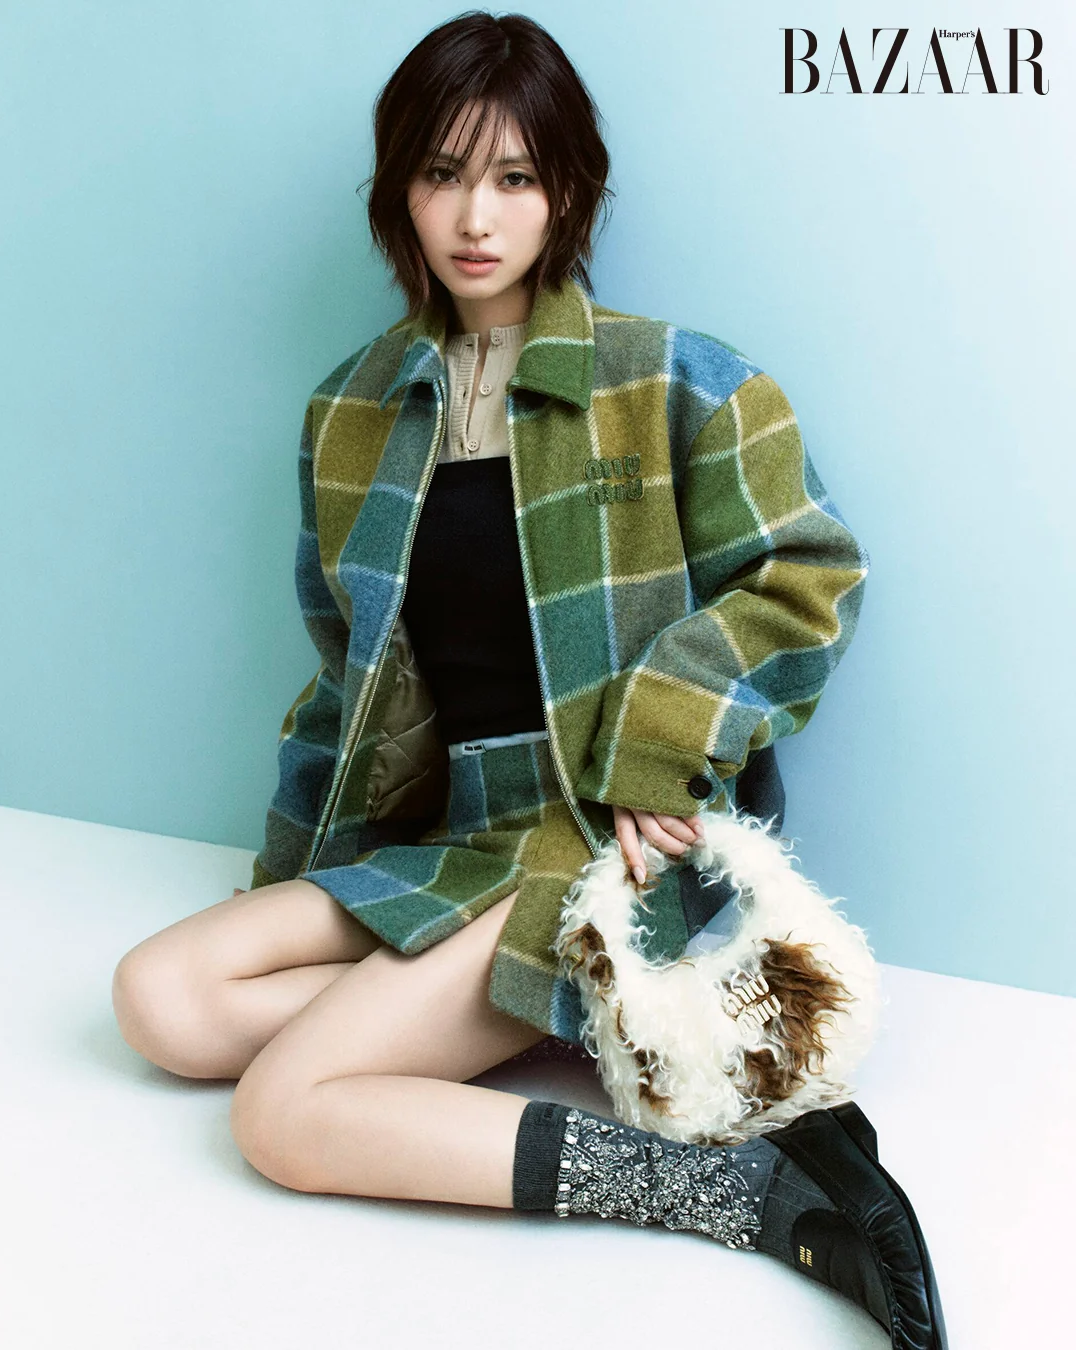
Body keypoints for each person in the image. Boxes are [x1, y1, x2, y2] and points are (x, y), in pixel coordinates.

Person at [111, 12, 946, 1346]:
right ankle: (556, 1019)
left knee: (281, 1112)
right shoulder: (352, 410)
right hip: (452, 836)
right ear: (399, 192)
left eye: (515, 176)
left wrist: (662, 740)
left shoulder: (675, 379)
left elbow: (809, 572)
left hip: (599, 838)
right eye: (441, 173)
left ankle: (746, 1194)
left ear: (569, 191)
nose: (475, 216)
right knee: (159, 1000)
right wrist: (300, 870)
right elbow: (345, 677)